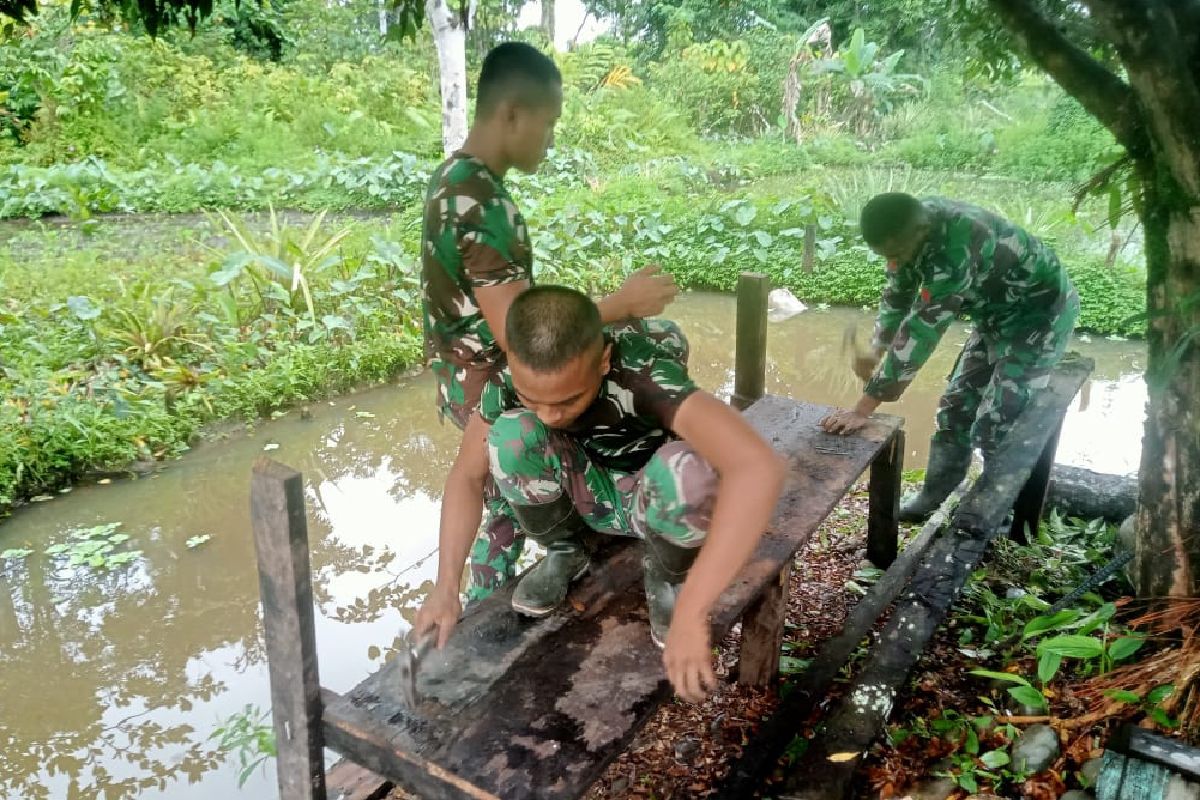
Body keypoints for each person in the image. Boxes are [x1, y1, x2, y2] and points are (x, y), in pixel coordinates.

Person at [414, 286, 785, 702]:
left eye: (568, 399)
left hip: (651, 497)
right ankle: (565, 552)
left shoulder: (644, 369)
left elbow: (757, 467)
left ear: (604, 359)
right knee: (510, 434)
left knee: (689, 468)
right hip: (585, 493)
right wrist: (446, 584)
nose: (550, 415)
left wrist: (695, 610)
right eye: (532, 398)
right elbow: (466, 475)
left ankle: (667, 578)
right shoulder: (505, 381)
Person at [421, 42, 676, 601]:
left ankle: (491, 599)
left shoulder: (450, 179)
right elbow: (521, 328)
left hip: (466, 377)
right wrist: (620, 303)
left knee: (503, 490)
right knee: (503, 502)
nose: (551, 138)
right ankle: (480, 617)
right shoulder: (482, 200)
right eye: (549, 122)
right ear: (512, 113)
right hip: (498, 381)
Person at [821, 193, 1079, 523]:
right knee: (956, 405)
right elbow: (897, 294)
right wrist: (877, 348)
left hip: (1040, 314)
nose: (894, 261)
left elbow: (922, 330)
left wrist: (863, 408)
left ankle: (995, 515)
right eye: (887, 256)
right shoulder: (906, 232)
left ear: (922, 230)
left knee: (999, 420)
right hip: (994, 315)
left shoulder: (957, 245)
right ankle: (932, 497)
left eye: (897, 253)